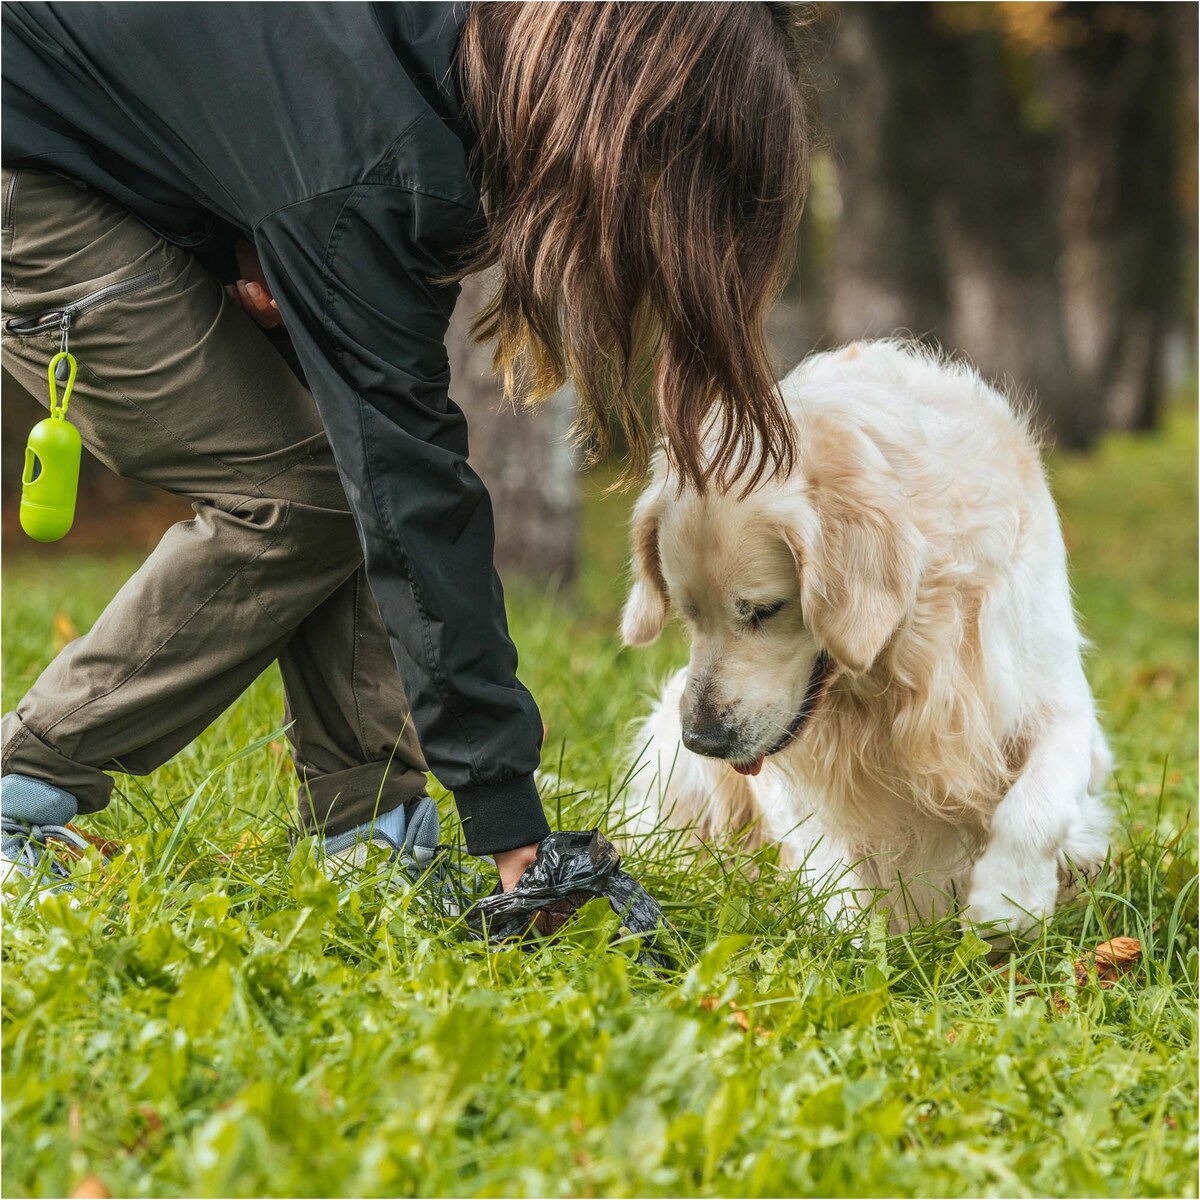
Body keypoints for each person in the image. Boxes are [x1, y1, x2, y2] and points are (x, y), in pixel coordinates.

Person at [0, 2, 810, 894]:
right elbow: (408, 482)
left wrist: (241, 221)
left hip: (94, 147)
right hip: (27, 159)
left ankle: (369, 829)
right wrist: (508, 817)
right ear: (611, 115)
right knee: (302, 491)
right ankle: (21, 790)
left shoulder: (437, 78)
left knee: (344, 457)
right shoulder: (380, 159)